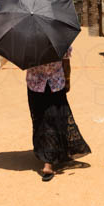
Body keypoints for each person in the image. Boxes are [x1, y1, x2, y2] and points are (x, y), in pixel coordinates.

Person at [26, 45, 91, 181]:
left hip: (35, 85)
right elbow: (66, 63)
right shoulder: (61, 40)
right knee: (56, 119)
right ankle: (50, 158)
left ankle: (47, 159)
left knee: (41, 120)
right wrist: (67, 80)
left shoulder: (28, 43)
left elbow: (24, 62)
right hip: (56, 85)